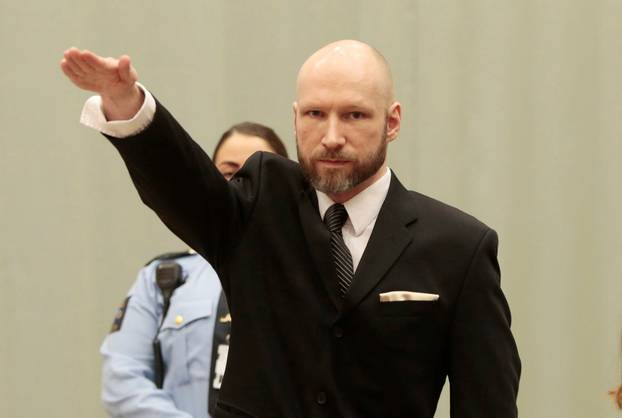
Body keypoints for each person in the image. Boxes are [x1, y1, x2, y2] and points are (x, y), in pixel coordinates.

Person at [61, 40, 521, 418]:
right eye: (315, 115)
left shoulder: (459, 246)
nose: (332, 136)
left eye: (355, 115)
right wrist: (127, 105)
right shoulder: (260, 202)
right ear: (295, 117)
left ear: (392, 121)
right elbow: (184, 186)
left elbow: (487, 403)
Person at [100, 123, 289, 418]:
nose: (239, 184)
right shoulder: (164, 279)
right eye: (226, 173)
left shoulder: (306, 276)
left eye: (255, 175)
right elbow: (122, 382)